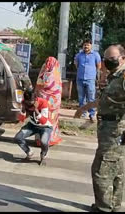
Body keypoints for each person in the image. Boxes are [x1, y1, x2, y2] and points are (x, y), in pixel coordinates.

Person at [74, 44, 125, 212]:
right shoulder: (114, 76)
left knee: (101, 171)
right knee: (117, 170)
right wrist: (84, 107)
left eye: (112, 59)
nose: (107, 63)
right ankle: (114, 207)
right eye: (105, 60)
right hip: (110, 130)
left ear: (122, 58)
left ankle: (104, 208)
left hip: (115, 132)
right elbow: (105, 100)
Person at [14, 88, 53, 166]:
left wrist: (36, 110)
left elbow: (44, 121)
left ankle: (43, 155)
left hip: (45, 127)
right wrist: (23, 110)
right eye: (26, 102)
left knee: (44, 142)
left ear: (35, 99)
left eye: (30, 102)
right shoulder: (24, 103)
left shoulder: (43, 103)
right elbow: (21, 119)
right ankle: (29, 152)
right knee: (18, 138)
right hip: (32, 125)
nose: (29, 104)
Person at [35, 57, 62, 146]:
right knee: (52, 120)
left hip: (44, 103)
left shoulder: (44, 73)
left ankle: (41, 139)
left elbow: (39, 85)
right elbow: (58, 89)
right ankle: (50, 138)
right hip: (54, 103)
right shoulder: (57, 73)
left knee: (42, 119)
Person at [74, 39, 102, 122]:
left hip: (90, 79)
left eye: (88, 45)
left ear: (91, 46)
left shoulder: (95, 55)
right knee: (81, 97)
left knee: (91, 97)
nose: (86, 46)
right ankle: (82, 113)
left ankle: (92, 114)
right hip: (80, 79)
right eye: (84, 45)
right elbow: (76, 65)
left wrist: (92, 73)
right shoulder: (79, 55)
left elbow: (99, 66)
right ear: (83, 46)